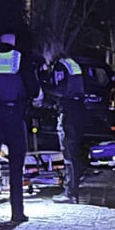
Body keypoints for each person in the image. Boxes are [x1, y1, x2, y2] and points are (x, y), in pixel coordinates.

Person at [0, 32, 39, 222]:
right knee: (16, 166)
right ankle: (17, 212)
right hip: (14, 115)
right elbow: (34, 90)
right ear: (13, 43)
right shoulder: (19, 59)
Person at [50, 57, 89, 205]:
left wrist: (45, 88)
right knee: (74, 153)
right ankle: (73, 190)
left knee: (69, 154)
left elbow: (62, 89)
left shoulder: (60, 65)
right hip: (77, 112)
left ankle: (70, 193)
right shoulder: (72, 63)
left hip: (69, 114)